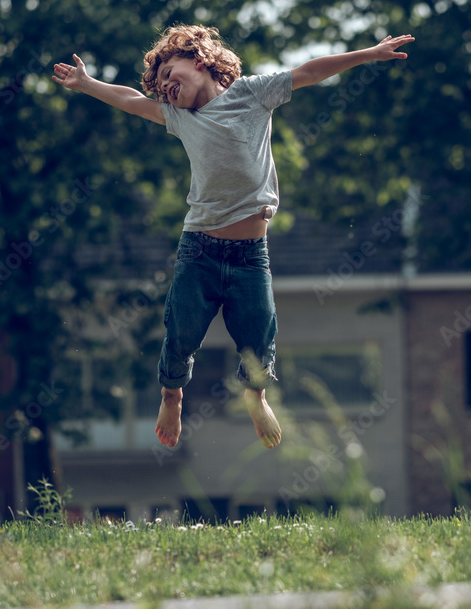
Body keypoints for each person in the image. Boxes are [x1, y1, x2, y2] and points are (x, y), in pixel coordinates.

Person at [52, 25, 413, 450]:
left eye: (170, 72)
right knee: (181, 331)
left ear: (200, 60)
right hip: (199, 250)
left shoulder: (252, 95)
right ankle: (172, 394)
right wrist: (87, 83)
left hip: (249, 256)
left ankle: (256, 396)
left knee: (259, 332)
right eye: (160, 85)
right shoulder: (179, 117)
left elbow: (310, 71)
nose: (166, 86)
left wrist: (368, 54)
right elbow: (131, 100)